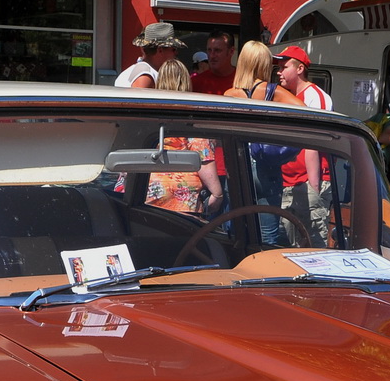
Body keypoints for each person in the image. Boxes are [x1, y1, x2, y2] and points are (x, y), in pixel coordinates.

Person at [223, 41, 301, 244]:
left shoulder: (230, 94)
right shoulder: (272, 91)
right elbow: (304, 110)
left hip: (237, 165)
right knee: (267, 236)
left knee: (236, 232)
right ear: (263, 64)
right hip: (266, 165)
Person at [142, 61, 222, 217]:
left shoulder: (146, 111)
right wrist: (217, 194)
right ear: (186, 81)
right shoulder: (190, 114)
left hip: (143, 187)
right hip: (180, 196)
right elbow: (202, 155)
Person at [274, 45, 334, 246]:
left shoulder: (316, 96)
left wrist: (314, 188)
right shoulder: (283, 96)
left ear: (300, 69)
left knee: (314, 244)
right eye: (279, 67)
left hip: (308, 184)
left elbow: (314, 141)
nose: (279, 71)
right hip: (286, 183)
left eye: (284, 66)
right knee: (291, 247)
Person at [115, 22, 184, 88]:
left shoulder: (145, 70)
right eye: (173, 49)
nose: (176, 53)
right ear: (160, 50)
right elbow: (138, 100)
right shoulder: (145, 75)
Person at [190, 31, 237, 96]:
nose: (212, 55)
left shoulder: (243, 81)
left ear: (231, 51)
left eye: (217, 50)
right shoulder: (195, 83)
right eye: (209, 50)